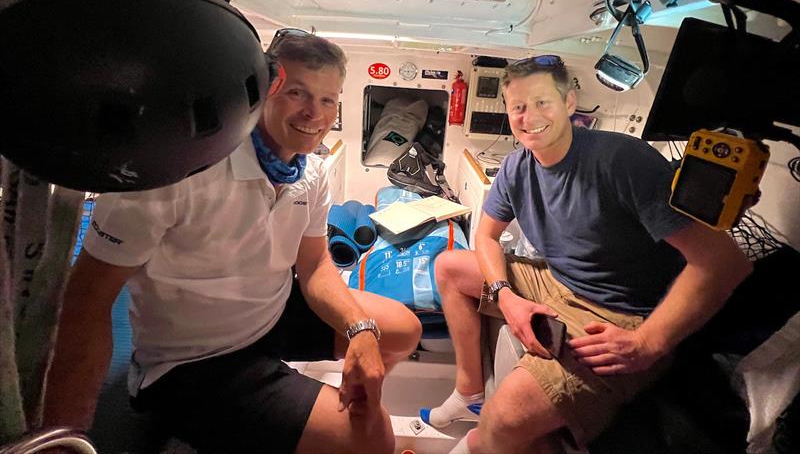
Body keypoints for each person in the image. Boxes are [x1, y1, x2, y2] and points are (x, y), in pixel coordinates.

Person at [43, 30, 422, 454]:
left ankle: (324, 415)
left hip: (269, 317)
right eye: (297, 92)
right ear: (263, 89)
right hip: (196, 362)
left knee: (401, 330)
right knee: (373, 441)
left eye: (328, 100)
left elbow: (314, 265)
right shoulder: (177, 174)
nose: (314, 113)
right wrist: (63, 435)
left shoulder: (309, 173)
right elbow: (87, 300)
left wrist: (361, 330)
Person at [422, 55, 752, 453]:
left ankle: (488, 433)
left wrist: (648, 343)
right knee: (449, 267)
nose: (530, 117)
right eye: (518, 107)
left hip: (621, 310)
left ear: (570, 103)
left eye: (543, 102)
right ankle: (470, 392)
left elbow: (723, 262)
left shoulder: (622, 161)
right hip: (559, 280)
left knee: (504, 419)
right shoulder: (516, 167)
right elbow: (487, 238)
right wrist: (506, 297)